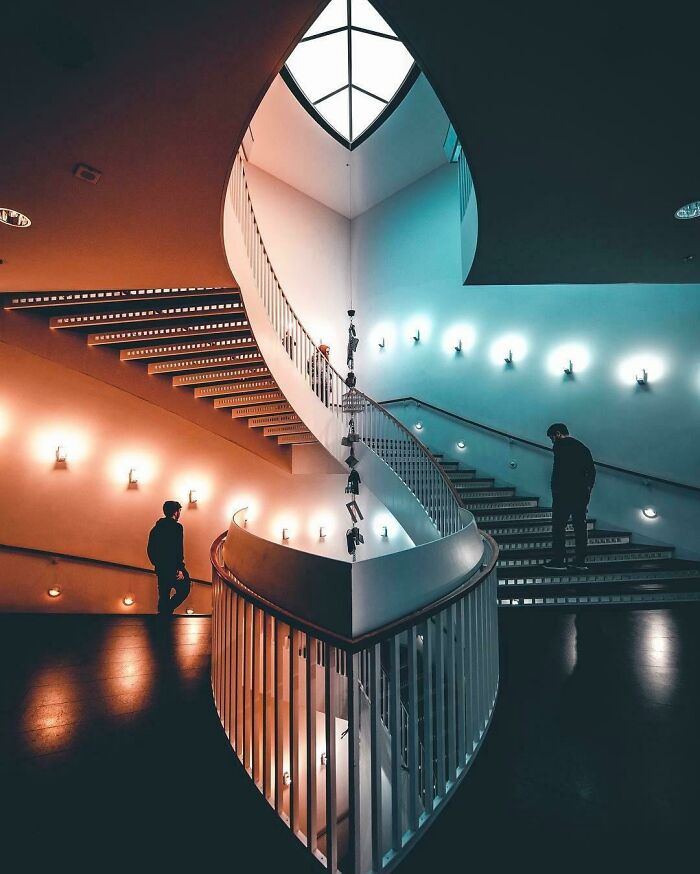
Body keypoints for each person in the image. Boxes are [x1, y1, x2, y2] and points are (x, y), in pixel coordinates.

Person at [542, 423, 596, 572]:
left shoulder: (560, 446)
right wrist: (587, 490)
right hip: (581, 494)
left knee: (558, 527)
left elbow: (560, 471)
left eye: (552, 437)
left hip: (564, 494)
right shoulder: (582, 447)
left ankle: (559, 560)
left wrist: (555, 489)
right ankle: (580, 561)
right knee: (580, 526)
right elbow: (591, 471)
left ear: (558, 434)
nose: (552, 441)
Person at [147, 500, 191, 615]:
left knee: (163, 594)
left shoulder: (156, 528)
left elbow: (150, 549)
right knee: (185, 588)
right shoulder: (177, 528)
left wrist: (157, 564)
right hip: (173, 568)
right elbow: (177, 549)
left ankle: (162, 622)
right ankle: (167, 610)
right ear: (175, 512)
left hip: (161, 568)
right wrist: (180, 568)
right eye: (179, 511)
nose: (180, 513)